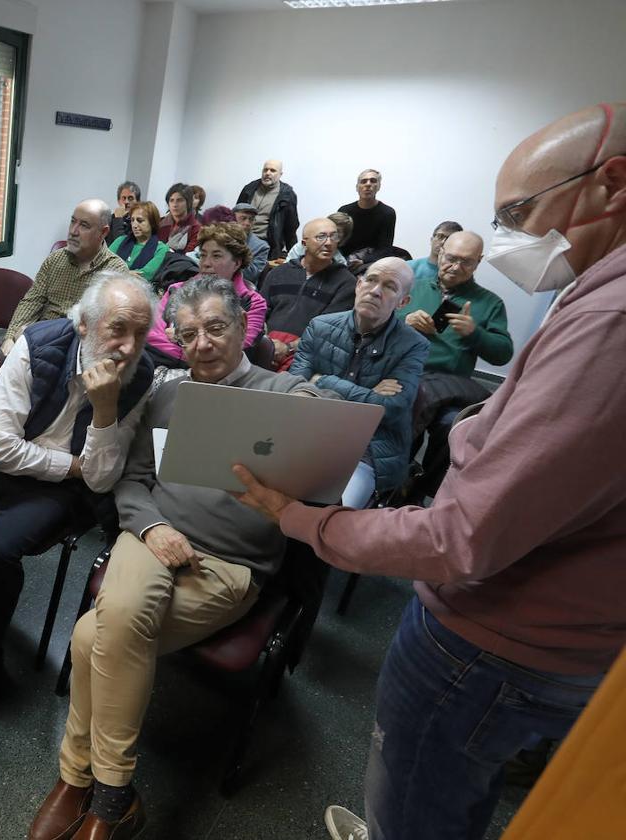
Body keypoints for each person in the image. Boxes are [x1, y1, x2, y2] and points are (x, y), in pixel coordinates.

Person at [232, 102, 626, 840]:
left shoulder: (610, 318)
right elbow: (315, 384)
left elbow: (457, 523)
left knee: (419, 806)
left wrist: (303, 518)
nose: (508, 235)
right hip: (542, 620)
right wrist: (473, 422)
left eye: (517, 212)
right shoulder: (594, 292)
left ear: (612, 184)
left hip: (493, 635)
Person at [27, 276, 332, 840]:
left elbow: (330, 457)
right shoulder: (168, 395)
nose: (203, 343)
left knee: (96, 637)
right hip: (151, 538)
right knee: (117, 622)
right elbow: (133, 480)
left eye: (216, 328)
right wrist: (151, 525)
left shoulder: (283, 394)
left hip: (230, 565)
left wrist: (314, 404)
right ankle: (112, 796)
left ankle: (77, 780)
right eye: (189, 335)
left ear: (242, 328)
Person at [0, 273, 157, 738]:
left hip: (61, 489)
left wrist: (104, 409)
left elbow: (100, 478)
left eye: (141, 332)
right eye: (117, 328)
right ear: (84, 325)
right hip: (7, 463)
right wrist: (70, 464)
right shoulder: (38, 344)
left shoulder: (140, 378)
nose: (128, 345)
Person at [290, 257, 428, 508]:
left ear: (403, 302)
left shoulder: (413, 345)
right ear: (358, 285)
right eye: (371, 280)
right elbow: (294, 385)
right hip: (313, 433)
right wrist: (369, 395)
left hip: (370, 449)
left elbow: (393, 407)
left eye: (389, 286)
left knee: (334, 515)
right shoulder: (320, 326)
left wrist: (325, 381)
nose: (375, 291)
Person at [400, 231, 513, 501]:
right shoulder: (413, 285)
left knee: (453, 426)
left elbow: (503, 355)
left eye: (466, 262)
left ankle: (422, 491)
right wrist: (404, 320)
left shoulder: (489, 303)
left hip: (451, 385)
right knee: (401, 411)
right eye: (451, 258)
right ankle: (397, 475)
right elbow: (379, 322)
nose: (456, 267)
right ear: (440, 253)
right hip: (407, 374)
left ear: (478, 262)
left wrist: (475, 333)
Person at [2, 200, 128, 353]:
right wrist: (9, 338)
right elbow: (32, 300)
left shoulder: (115, 272)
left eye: (84, 225)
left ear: (103, 232)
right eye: (72, 222)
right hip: (38, 341)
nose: (73, 231)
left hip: (76, 350)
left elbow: (104, 331)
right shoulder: (55, 259)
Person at [146, 223, 267, 368]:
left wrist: (181, 340)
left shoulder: (253, 302)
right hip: (164, 367)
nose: (206, 263)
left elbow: (239, 347)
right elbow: (153, 336)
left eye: (216, 256)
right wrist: (194, 353)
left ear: (236, 262)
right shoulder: (176, 290)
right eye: (203, 255)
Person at [259, 217, 356, 371]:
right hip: (266, 347)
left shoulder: (346, 282)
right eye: (321, 237)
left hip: (307, 354)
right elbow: (259, 314)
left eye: (334, 236)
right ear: (304, 243)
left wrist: (288, 348)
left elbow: (328, 332)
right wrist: (265, 345)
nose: (329, 243)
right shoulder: (279, 273)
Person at [237, 159, 299, 259]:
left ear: (280, 174)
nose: (267, 173)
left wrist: (294, 256)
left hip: (266, 245)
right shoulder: (249, 189)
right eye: (265, 170)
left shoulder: (287, 195)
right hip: (242, 240)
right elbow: (236, 214)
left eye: (272, 170)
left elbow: (291, 228)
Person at [107, 200, 170, 288]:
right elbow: (104, 265)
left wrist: (116, 271)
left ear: (152, 223)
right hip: (110, 288)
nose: (134, 225)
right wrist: (127, 273)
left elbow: (145, 275)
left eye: (140, 220)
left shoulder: (161, 249)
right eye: (132, 220)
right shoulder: (120, 240)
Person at [339, 169, 397, 257]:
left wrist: (363, 261)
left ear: (378, 186)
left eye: (373, 181)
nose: (368, 184)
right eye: (363, 181)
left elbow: (385, 248)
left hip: (373, 260)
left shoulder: (387, 213)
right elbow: (339, 243)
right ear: (357, 187)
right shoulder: (344, 211)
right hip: (346, 260)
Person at [284, 211, 353, 268]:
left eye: (335, 233)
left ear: (342, 238)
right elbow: (286, 268)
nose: (328, 240)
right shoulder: (302, 245)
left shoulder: (340, 261)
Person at [406, 220, 464, 284]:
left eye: (450, 238)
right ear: (431, 240)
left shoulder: (458, 272)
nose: (443, 242)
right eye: (440, 236)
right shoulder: (408, 267)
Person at [230, 202, 271, 284]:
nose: (247, 223)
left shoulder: (261, 246)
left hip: (242, 287)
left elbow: (250, 276)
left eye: (251, 219)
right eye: (243, 218)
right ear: (232, 219)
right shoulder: (220, 236)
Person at [156, 183, 201, 254]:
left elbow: (188, 256)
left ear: (188, 202)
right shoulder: (160, 223)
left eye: (179, 200)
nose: (175, 204)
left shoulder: (196, 228)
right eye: (171, 200)